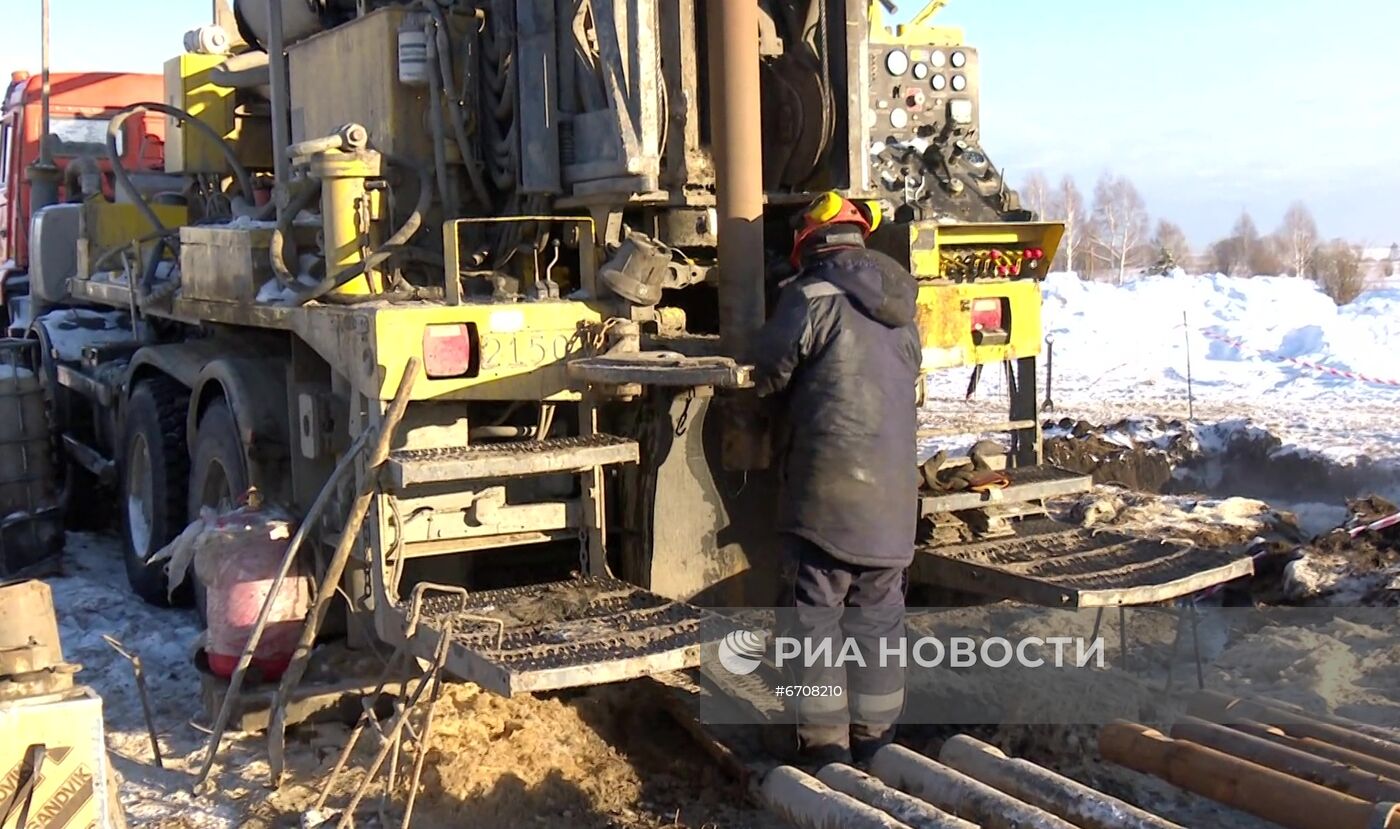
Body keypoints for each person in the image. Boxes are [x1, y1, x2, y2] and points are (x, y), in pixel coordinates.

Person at [752, 191, 922, 765]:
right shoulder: (903, 310)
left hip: (827, 499)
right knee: (879, 622)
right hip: (896, 505)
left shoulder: (809, 296)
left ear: (809, 242)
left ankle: (824, 752)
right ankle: (880, 747)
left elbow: (768, 372)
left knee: (814, 621)